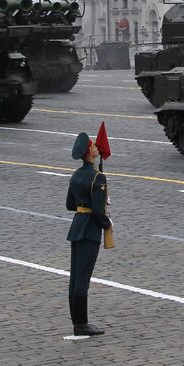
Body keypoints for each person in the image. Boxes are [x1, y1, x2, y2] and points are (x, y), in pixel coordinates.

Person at [65, 131, 111, 336]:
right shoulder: (98, 177)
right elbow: (99, 212)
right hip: (90, 230)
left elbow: (69, 205)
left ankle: (77, 321)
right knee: (83, 280)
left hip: (76, 227)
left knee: (75, 278)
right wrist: (107, 223)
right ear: (88, 153)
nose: (95, 148)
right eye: (93, 147)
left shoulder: (76, 175)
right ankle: (81, 325)